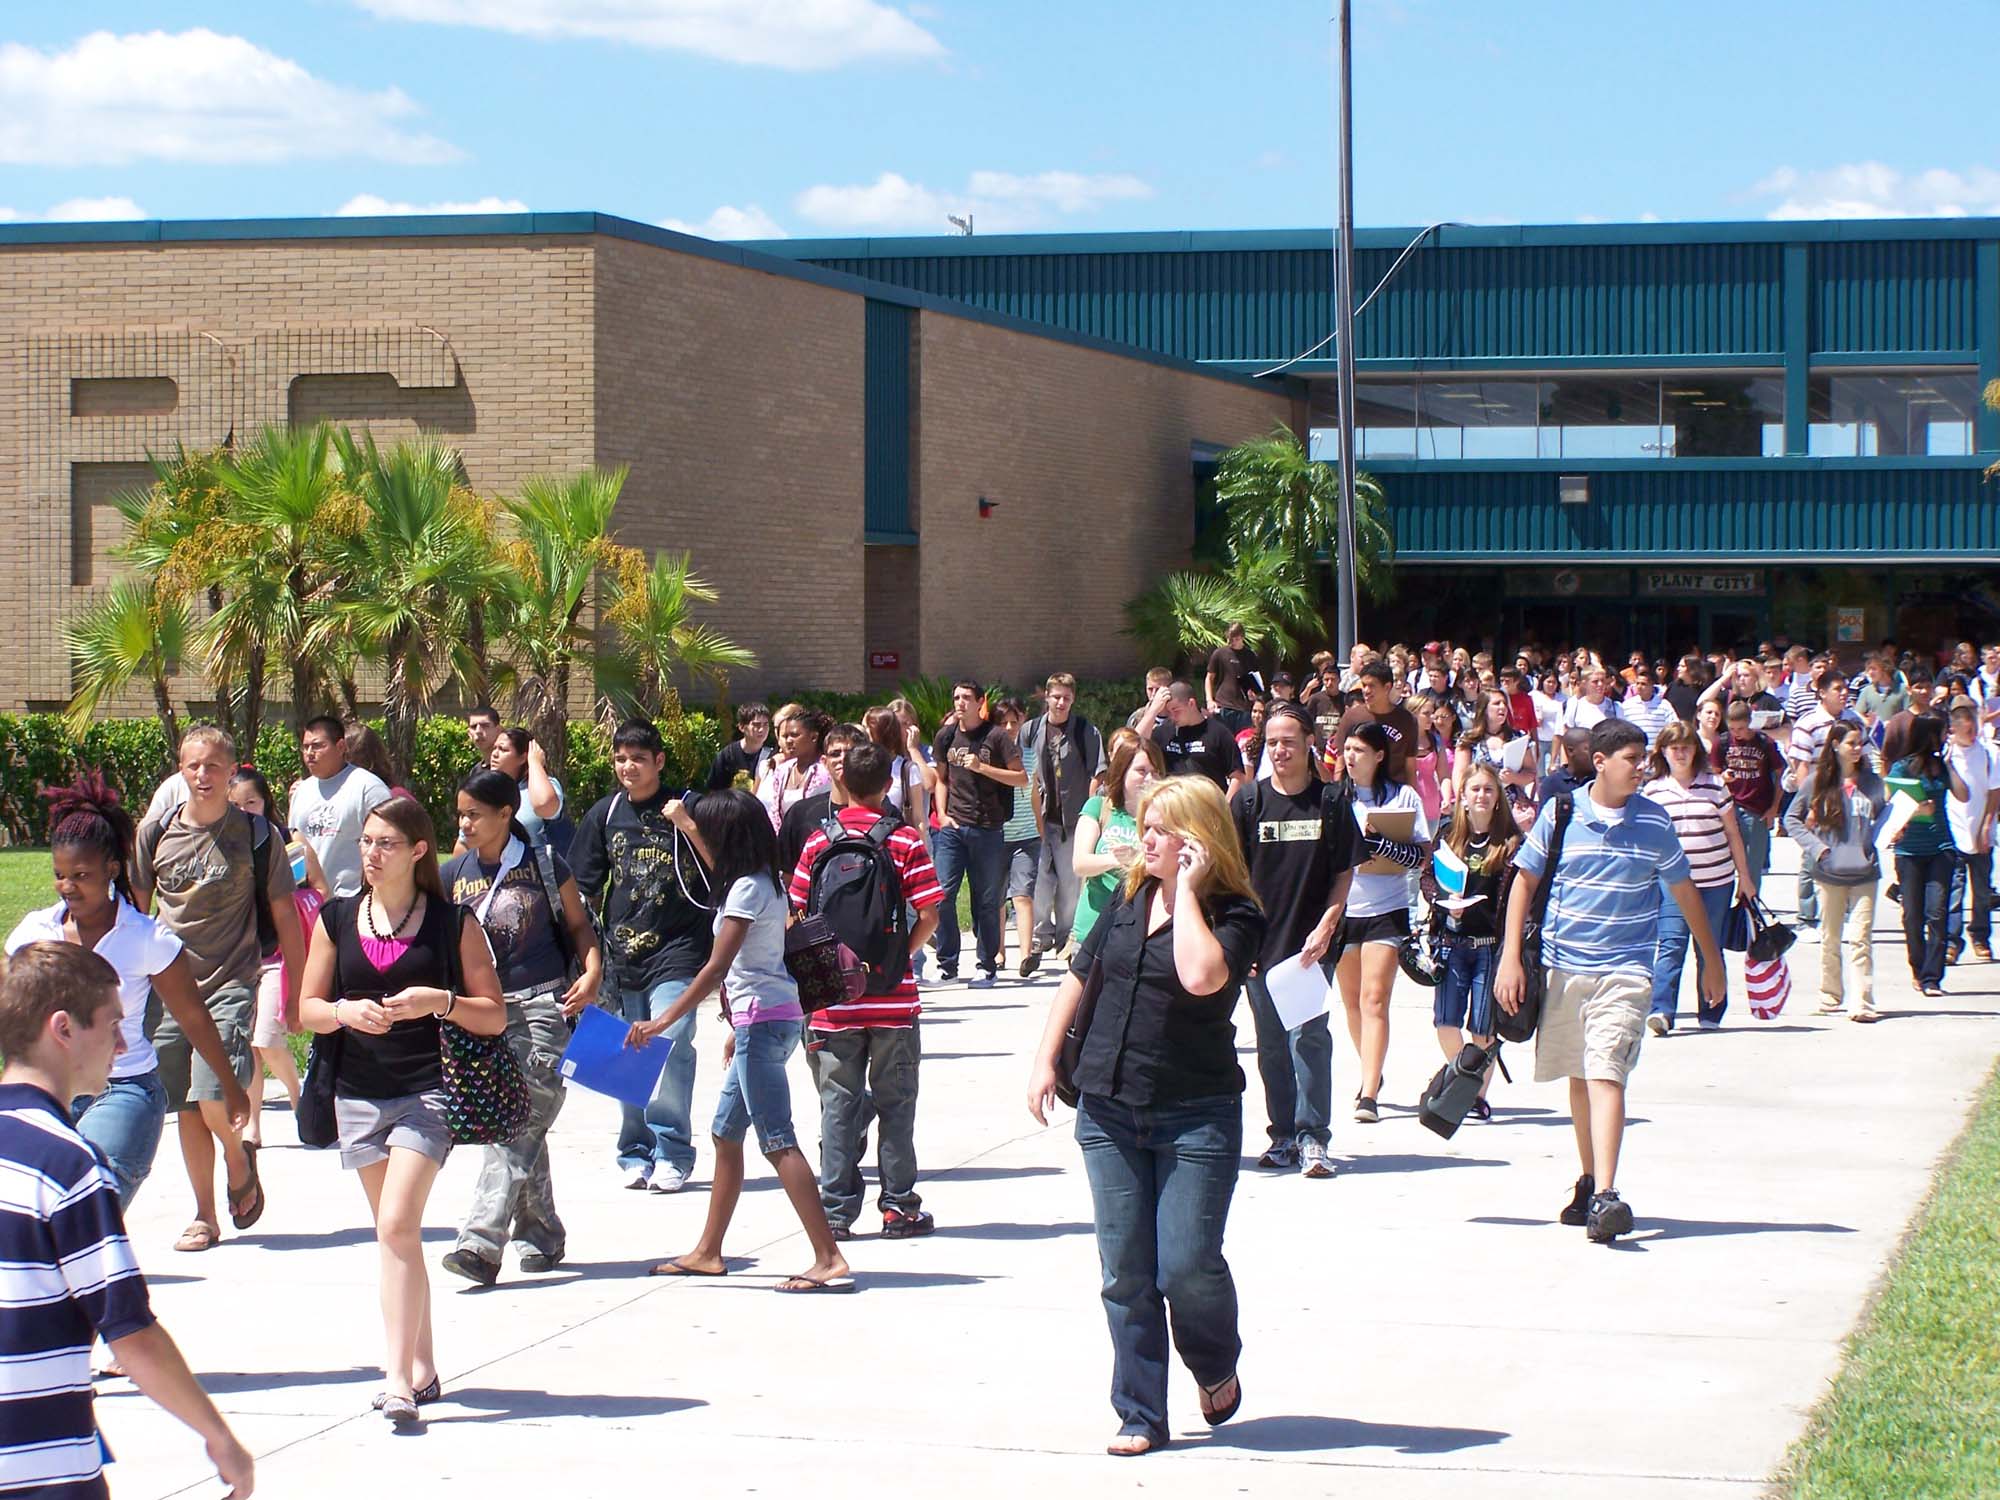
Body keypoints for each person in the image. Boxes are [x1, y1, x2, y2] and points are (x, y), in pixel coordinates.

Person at [1026, 776, 1266, 1456]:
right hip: (1108, 1108)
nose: (1143, 837)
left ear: (1197, 836)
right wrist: (1046, 1060)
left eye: (1159, 828)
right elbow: (1079, 975)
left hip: (1197, 1114)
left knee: (1186, 1267)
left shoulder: (1236, 913)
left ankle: (1215, 1360)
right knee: (1126, 1271)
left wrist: (1187, 891)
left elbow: (1200, 978)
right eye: (1144, 825)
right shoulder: (1129, 896)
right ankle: (1140, 1412)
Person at [0, 942, 256, 1499]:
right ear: (63, 1029)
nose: (122, 1043)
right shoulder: (66, 1164)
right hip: (37, 1466)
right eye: (113, 1025)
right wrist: (219, 1438)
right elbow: (130, 1333)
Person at [297, 795, 507, 1424]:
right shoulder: (335, 919)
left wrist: (437, 1000)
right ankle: (423, 1365)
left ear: (418, 851)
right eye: (366, 841)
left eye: (385, 843)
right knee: (400, 1236)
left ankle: (395, 1381)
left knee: (394, 1226)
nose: (371, 853)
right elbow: (304, 1008)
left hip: (427, 1093)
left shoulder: (453, 924)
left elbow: (493, 1015)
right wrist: (342, 1012)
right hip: (356, 1093)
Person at [1495, 719, 1725, 1244]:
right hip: (1563, 966)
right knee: (1580, 1077)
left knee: (1606, 1072)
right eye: (1632, 759)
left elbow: (1684, 891)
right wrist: (1511, 957)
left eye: (1645, 759)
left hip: (1626, 971)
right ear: (1599, 762)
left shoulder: (1654, 822)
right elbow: (1524, 882)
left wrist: (1712, 961)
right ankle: (1590, 1179)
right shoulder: (1562, 813)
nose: (1642, 768)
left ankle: (1607, 1196)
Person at [627, 791, 853, 1293]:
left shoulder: (748, 890)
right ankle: (708, 1252)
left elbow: (715, 969)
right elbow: (720, 882)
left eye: (708, 831)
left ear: (728, 837)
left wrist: (661, 1022)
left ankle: (829, 1257)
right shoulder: (759, 881)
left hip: (762, 1025)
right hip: (762, 1022)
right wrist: (688, 825)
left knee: (777, 1140)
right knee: (726, 1136)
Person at [5, 775, 251, 1208]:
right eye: (60, 875)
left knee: (86, 1205)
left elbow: (193, 1016)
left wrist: (230, 1087)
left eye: (81, 875)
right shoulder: (35, 933)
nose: (68, 886)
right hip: (54, 1090)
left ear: (112, 871)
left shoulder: (145, 939)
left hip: (126, 1088)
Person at [135, 726, 305, 1252]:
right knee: (184, 1105)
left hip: (230, 983)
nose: (203, 775)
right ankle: (204, 1216)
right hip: (168, 991)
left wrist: (297, 991)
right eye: (193, 766)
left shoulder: (256, 835)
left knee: (212, 1096)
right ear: (180, 771)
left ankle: (237, 1158)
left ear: (231, 772)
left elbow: (286, 914)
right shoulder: (155, 833)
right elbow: (136, 914)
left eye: (213, 766)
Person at [438, 769, 604, 1286]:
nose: (464, 824)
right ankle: (543, 1232)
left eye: (474, 815)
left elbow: (579, 926)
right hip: (483, 1014)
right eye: (460, 814)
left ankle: (481, 1243)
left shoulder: (545, 865)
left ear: (507, 814)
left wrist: (594, 972)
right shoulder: (452, 874)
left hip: (544, 1008)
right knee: (520, 1122)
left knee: (517, 1122)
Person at [788, 741, 945, 1238]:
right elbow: (929, 914)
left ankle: (834, 1213)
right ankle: (899, 1206)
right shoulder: (903, 841)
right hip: (893, 1001)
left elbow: (797, 912)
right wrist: (901, 958)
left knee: (838, 1105)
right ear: (887, 786)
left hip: (834, 1001)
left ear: (842, 783)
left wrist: (831, 968)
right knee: (897, 1103)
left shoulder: (818, 843)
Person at [569, 719, 713, 1193]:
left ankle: (673, 1150)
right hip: (622, 954)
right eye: (620, 758)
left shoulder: (688, 806)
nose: (628, 767)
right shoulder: (606, 813)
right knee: (626, 1049)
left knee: (671, 1040)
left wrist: (688, 826)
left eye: (637, 758)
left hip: (679, 950)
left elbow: (723, 869)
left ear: (659, 762)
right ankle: (635, 1149)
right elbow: (583, 888)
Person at [1232, 704, 1358, 1176]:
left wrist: (1327, 926)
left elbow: (1344, 871)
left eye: (1288, 740)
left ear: (1309, 743)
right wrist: (1239, 942)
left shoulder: (1329, 802)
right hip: (1261, 948)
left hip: (1310, 950)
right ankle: (1281, 1134)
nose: (1280, 750)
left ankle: (1312, 1138)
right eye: (1272, 742)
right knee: (1270, 1045)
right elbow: (1231, 875)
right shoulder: (1248, 803)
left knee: (1308, 1039)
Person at [1334, 722, 1430, 1123]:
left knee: (1375, 1000)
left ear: (1378, 756)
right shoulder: (1333, 798)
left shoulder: (1402, 796)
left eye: (1359, 749)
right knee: (1353, 1003)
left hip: (1386, 910)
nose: (1351, 756)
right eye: (1347, 749)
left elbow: (1421, 854)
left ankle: (1368, 1092)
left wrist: (1382, 845)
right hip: (1343, 911)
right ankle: (1370, 1069)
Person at [227, 767, 321, 1151]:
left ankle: (296, 1092)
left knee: (265, 1038)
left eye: (252, 801)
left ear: (267, 803)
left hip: (278, 953)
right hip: (237, 956)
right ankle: (253, 1125)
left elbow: (321, 888)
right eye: (236, 804)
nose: (245, 810)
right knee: (249, 1044)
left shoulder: (289, 842)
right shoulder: (221, 844)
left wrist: (293, 902)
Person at [1643, 720, 1756, 1034]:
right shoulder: (1653, 791)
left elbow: (1733, 833)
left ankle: (1711, 1010)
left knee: (1710, 946)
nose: (1680, 753)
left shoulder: (1715, 785)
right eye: (1673, 747)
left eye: (1686, 747)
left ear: (1696, 751)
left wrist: (1744, 876)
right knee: (1671, 944)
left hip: (1716, 880)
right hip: (1673, 884)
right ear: (1663, 751)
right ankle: (1662, 1011)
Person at [1422, 763, 1520, 1122]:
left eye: (1488, 790)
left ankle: (1477, 1095)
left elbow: (1515, 896)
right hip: (1451, 940)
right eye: (1475, 789)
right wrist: (1441, 902)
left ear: (1497, 799)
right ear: (1463, 796)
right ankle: (1462, 1078)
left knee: (1483, 1028)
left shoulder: (1510, 842)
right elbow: (1428, 877)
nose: (1481, 796)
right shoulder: (1448, 835)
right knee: (1446, 1022)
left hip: (1488, 945)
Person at [1784, 722, 1887, 1020]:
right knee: (1831, 938)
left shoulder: (1874, 783)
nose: (1857, 749)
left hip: (1865, 871)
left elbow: (1882, 818)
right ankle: (1830, 995)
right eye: (1851, 743)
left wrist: (1892, 830)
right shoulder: (1817, 782)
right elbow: (1792, 818)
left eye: (1860, 743)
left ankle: (1862, 1001)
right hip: (1830, 872)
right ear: (1835, 746)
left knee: (1861, 938)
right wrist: (1817, 848)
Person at [931, 680, 1025, 983]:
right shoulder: (946, 736)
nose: (960, 702)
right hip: (953, 829)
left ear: (980, 702)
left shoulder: (996, 737)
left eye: (967, 698)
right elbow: (941, 779)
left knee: (985, 900)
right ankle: (948, 963)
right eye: (956, 697)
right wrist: (942, 815)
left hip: (988, 830)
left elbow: (1020, 778)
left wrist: (982, 768)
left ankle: (986, 964)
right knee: (942, 895)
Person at [1022, 673, 1106, 966]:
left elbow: (1098, 773)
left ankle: (1065, 939)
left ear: (1073, 699)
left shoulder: (1085, 731)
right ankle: (1039, 936)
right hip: (1041, 817)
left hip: (1074, 819)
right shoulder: (1031, 731)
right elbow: (1024, 773)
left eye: (1066, 698)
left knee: (1071, 885)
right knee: (1040, 883)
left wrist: (1089, 814)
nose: (1061, 702)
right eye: (1056, 696)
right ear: (1046, 696)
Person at [1886, 717, 1968, 998]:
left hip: (1941, 847)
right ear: (1928, 736)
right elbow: (1892, 803)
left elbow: (1964, 794)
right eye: (1942, 733)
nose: (1946, 737)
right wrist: (1917, 810)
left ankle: (1933, 978)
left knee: (1937, 912)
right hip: (1909, 849)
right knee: (1912, 915)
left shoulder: (1940, 767)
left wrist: (1950, 764)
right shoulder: (1902, 766)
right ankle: (1917, 969)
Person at [1071, 731, 1163, 950]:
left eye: (1156, 772)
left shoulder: (1167, 818)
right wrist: (1115, 859)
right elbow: (1080, 864)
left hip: (1138, 934)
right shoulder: (1099, 807)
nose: (1150, 779)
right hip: (1091, 930)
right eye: (1141, 771)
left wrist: (1137, 860)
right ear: (1122, 772)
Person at [289, 713, 392, 898]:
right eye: (305, 747)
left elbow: (388, 844)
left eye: (318, 746)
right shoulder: (301, 792)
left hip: (352, 900)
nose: (310, 753)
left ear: (341, 746)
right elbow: (294, 847)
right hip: (309, 902)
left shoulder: (368, 788)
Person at [1787, 670, 1860, 928]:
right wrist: (1812, 806)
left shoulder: (1853, 720)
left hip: (1848, 797)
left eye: (1846, 688)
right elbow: (1801, 767)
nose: (1844, 693)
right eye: (1838, 688)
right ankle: (1807, 918)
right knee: (1812, 857)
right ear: (1822, 692)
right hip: (1819, 796)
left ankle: (1848, 915)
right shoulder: (1808, 723)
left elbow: (1867, 756)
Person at [1944, 702, 1998, 963]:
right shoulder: (1945, 754)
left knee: (1982, 889)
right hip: (1954, 831)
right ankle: (1952, 941)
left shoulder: (1989, 753)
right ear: (1953, 729)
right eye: (1966, 730)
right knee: (1954, 890)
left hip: (1981, 831)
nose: (1972, 734)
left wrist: (1987, 826)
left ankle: (1980, 936)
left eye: (1974, 728)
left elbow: (1994, 792)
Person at [1711, 700, 1784, 878]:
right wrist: (1723, 778)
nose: (1737, 733)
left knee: (1753, 865)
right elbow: (1712, 777)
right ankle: (1734, 902)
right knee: (1729, 862)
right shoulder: (1722, 743)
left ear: (1750, 722)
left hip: (1757, 808)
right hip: (1730, 807)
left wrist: (1774, 808)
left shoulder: (1764, 743)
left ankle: (1750, 904)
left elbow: (1780, 775)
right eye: (1732, 729)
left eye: (1741, 728)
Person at [997, 698, 1043, 973]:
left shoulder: (1029, 755)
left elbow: (1034, 791)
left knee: (1023, 894)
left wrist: (1039, 825)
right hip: (996, 836)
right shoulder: (990, 755)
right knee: (997, 898)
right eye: (1003, 723)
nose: (1010, 727)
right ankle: (998, 952)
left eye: (1014, 722)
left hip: (1026, 836)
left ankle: (1026, 955)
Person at [1135, 680, 1240, 790]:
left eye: (1176, 710)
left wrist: (1225, 806)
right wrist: (1153, 710)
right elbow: (1133, 744)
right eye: (1169, 712)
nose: (1172, 716)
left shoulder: (1218, 733)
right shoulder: (1164, 732)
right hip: (1173, 802)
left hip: (1207, 802)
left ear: (1191, 704)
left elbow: (1237, 776)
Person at [490, 727, 574, 856]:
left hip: (540, 872)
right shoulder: (489, 791)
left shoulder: (546, 785)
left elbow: (544, 805)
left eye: (503, 749)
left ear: (523, 757)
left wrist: (535, 762)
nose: (494, 754)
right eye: (494, 748)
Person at [1334, 659, 1422, 782]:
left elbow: (1410, 765)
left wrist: (1412, 794)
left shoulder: (1406, 720)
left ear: (1387, 687)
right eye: (1364, 685)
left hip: (1395, 791)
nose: (1366, 691)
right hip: (1359, 790)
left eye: (1371, 686)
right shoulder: (1351, 717)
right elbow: (1341, 759)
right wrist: (1338, 791)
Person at [756, 704, 833, 831]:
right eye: (785, 736)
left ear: (814, 737)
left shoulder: (825, 772)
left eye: (794, 735)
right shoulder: (781, 771)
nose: (789, 741)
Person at [1204, 622, 1263, 732]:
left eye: (1235, 639)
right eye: (1229, 639)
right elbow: (1209, 678)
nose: (1232, 642)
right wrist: (1209, 700)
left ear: (1242, 637)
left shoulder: (1250, 656)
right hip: (1223, 705)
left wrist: (1254, 693)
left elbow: (1255, 680)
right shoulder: (1220, 653)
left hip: (1243, 708)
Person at [706, 701, 774, 792]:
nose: (762, 729)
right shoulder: (727, 755)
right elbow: (714, 791)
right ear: (742, 727)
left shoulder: (772, 756)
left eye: (765, 725)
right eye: (756, 725)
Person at [1620, 664, 1675, 751]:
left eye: (1643, 684)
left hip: (1657, 753)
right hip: (1635, 753)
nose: (1639, 687)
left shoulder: (1664, 705)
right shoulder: (1626, 706)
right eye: (1637, 683)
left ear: (1652, 686)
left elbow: (1673, 727)